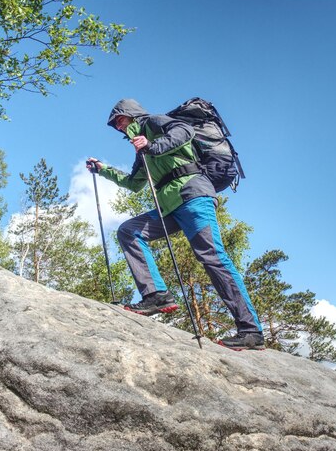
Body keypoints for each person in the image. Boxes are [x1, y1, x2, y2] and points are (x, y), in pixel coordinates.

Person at [87, 99, 264, 350]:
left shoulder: (154, 122)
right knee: (129, 230)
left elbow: (184, 131)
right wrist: (103, 170)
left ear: (132, 115)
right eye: (114, 124)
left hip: (193, 196)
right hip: (168, 208)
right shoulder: (142, 148)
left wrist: (153, 145)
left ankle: (250, 330)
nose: (117, 126)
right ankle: (156, 295)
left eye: (119, 119)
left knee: (212, 256)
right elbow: (134, 184)